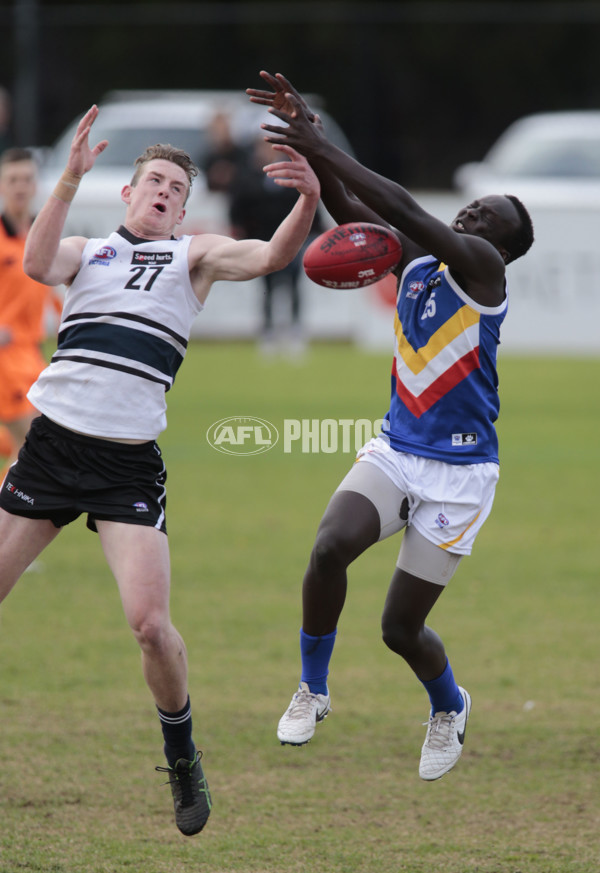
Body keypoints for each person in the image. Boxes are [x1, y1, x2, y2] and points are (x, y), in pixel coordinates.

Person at [0, 103, 320, 834]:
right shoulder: (87, 251)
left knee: (150, 626)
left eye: (177, 188)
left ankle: (181, 751)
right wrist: (68, 178)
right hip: (51, 447)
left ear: (185, 207)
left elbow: (271, 257)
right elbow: (38, 263)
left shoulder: (193, 257)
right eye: (154, 181)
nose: (165, 193)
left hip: (127, 466)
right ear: (129, 191)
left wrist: (308, 198)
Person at [247, 71, 534, 781]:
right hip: (398, 449)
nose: (470, 216)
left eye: (487, 215)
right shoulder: (421, 265)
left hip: (461, 475)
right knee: (327, 548)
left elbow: (400, 205)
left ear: (502, 245)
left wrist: (321, 144)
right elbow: (356, 213)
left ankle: (448, 702)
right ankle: (313, 687)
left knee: (398, 628)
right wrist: (310, 144)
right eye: (470, 207)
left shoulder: (482, 272)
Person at [228, 136, 323, 355]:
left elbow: (309, 204)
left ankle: (296, 333)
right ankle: (268, 334)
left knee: (294, 287)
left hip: (294, 244)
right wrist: (240, 231)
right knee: (267, 289)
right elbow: (237, 207)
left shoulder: (292, 176)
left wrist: (315, 232)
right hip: (263, 242)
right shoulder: (248, 177)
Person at [0, 148, 61, 483]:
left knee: (30, 442)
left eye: (26, 179)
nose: (20, 186)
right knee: (30, 444)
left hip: (31, 354)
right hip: (4, 356)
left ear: (36, 185)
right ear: (1, 186)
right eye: (12, 180)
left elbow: (51, 287)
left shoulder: (41, 235)